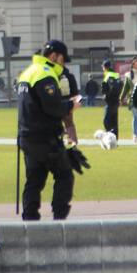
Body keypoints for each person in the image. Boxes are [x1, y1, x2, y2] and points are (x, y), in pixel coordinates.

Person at [16, 40, 83, 221]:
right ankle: (59, 217)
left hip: (27, 136)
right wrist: (71, 105)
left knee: (34, 181)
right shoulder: (45, 73)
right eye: (62, 59)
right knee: (64, 175)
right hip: (45, 138)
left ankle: (29, 220)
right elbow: (51, 107)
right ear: (53, 56)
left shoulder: (28, 72)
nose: (63, 63)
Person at [120, 58, 137, 145]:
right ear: (133, 65)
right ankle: (135, 136)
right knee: (136, 116)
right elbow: (125, 88)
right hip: (133, 100)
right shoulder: (129, 75)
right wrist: (121, 98)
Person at [100, 59, 122, 138]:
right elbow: (120, 85)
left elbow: (110, 88)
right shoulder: (116, 74)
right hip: (116, 101)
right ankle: (115, 138)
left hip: (110, 101)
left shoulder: (108, 75)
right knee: (114, 121)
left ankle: (109, 136)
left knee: (107, 121)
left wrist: (107, 95)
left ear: (105, 67)